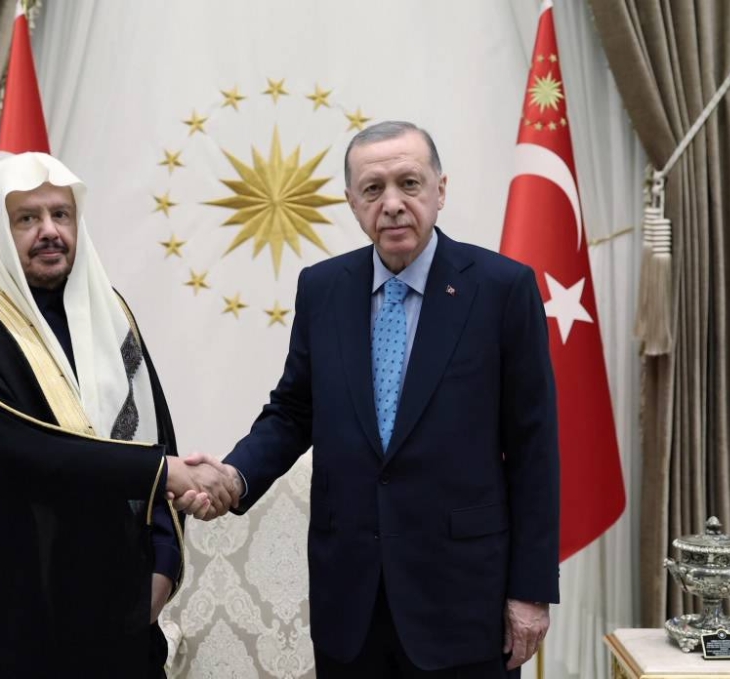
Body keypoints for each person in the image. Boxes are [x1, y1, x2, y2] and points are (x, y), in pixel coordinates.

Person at [177, 121, 559, 678]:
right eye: (373, 189)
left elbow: (534, 449)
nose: (393, 204)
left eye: (410, 183)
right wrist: (235, 476)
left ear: (440, 190)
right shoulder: (323, 289)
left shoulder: (501, 289)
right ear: (352, 202)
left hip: (464, 601)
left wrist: (530, 591)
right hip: (350, 603)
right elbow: (293, 411)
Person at [0, 152, 236, 679]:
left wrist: (163, 569)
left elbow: (155, 438)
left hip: (111, 616)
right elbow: (16, 447)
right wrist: (163, 472)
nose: (49, 231)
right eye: (27, 218)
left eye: (61, 214)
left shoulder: (109, 314)